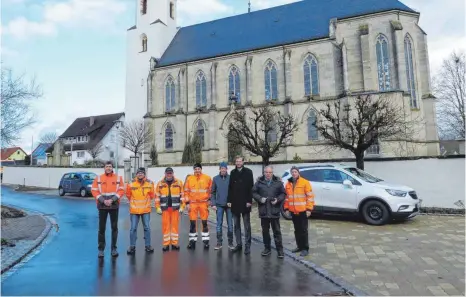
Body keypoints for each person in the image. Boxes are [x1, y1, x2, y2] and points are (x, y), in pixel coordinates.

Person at [91, 161, 125, 258]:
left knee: (114, 228)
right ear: (104, 168)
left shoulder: (118, 178)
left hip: (114, 205)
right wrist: (103, 200)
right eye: (107, 166)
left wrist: (112, 200)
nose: (108, 168)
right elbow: (94, 190)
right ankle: (101, 250)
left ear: (112, 167)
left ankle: (114, 249)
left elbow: (121, 190)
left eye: (110, 166)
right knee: (102, 229)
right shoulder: (98, 178)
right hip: (102, 206)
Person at [252, 165, 285, 258]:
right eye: (266, 172)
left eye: (270, 172)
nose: (268, 174)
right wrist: (260, 198)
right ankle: (267, 249)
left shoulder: (278, 182)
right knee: (265, 232)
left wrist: (277, 200)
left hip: (274, 211)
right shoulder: (259, 182)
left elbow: (283, 193)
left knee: (277, 232)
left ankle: (280, 250)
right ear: (264, 172)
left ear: (272, 172)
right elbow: (254, 192)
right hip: (264, 211)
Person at [284, 166, 314, 257]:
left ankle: (305, 248)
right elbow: (287, 198)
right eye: (292, 172)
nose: (294, 173)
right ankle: (299, 246)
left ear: (298, 173)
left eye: (295, 172)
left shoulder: (305, 182)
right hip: (293, 211)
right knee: (297, 230)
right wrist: (286, 208)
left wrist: (309, 209)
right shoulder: (288, 184)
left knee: (303, 230)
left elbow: (310, 197)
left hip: (302, 211)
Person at [227, 156, 254, 255]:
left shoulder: (248, 172)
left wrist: (249, 201)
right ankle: (239, 244)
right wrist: (229, 200)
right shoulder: (233, 173)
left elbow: (251, 187)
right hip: (235, 203)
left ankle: (247, 246)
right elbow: (230, 188)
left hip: (245, 202)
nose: (238, 163)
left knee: (247, 226)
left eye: (240, 161)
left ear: (243, 162)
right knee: (236, 225)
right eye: (236, 161)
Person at [155, 167, 185, 252]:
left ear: (172, 173)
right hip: (165, 209)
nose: (169, 175)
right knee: (166, 227)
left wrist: (183, 206)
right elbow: (157, 197)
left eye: (170, 173)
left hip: (175, 209)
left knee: (175, 227)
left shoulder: (179, 183)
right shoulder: (160, 183)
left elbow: (182, 196)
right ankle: (166, 244)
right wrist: (157, 207)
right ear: (165, 174)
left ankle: (174, 243)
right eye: (167, 173)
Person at [125, 167, 155, 255]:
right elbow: (128, 195)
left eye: (142, 173)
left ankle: (148, 245)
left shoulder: (150, 183)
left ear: (144, 174)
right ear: (136, 174)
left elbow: (152, 195)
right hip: (134, 210)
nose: (140, 174)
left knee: (147, 228)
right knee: (133, 228)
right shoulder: (131, 183)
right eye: (138, 173)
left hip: (145, 210)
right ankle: (132, 246)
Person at [184, 163, 212, 249]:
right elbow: (186, 192)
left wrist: (210, 200)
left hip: (203, 203)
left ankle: (206, 242)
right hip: (192, 203)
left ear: (201, 169)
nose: (197, 170)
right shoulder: (189, 178)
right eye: (195, 169)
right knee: (192, 223)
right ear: (193, 170)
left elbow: (211, 190)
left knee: (204, 223)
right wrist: (187, 203)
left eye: (198, 169)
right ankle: (192, 241)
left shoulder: (207, 178)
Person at [211, 162, 233, 250]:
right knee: (219, 224)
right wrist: (213, 203)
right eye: (221, 168)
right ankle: (219, 242)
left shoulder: (231, 178)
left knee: (230, 224)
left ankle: (230, 243)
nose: (223, 170)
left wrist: (232, 201)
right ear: (219, 169)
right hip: (219, 205)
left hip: (229, 205)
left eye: (224, 168)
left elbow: (233, 191)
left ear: (226, 169)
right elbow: (213, 192)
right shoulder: (215, 179)